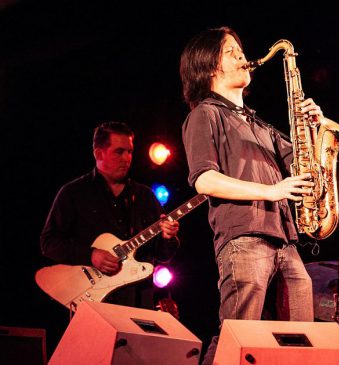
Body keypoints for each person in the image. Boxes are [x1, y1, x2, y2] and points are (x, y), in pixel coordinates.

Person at [179, 26, 319, 365]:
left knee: (305, 341)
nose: (243, 56)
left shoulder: (261, 126)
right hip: (243, 238)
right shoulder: (205, 114)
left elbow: (305, 166)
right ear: (209, 66)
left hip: (285, 240)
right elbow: (205, 180)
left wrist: (314, 128)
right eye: (231, 52)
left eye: (240, 50)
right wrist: (272, 190)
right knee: (237, 336)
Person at [40, 121, 180, 309]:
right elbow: (49, 243)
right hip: (91, 303)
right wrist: (91, 255)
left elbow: (163, 256)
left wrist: (168, 237)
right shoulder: (73, 193)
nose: (127, 158)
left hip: (137, 302)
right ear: (99, 153)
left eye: (129, 151)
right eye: (119, 151)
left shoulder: (144, 195)